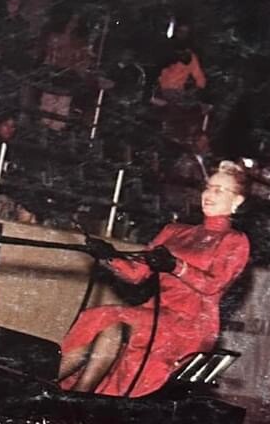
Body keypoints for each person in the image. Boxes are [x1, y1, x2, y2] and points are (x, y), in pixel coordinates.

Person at [58, 162, 251, 397]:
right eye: (208, 187)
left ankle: (73, 395)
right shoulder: (174, 231)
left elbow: (213, 285)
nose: (209, 195)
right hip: (157, 312)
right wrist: (108, 256)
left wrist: (176, 266)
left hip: (191, 324)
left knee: (107, 315)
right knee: (105, 321)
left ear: (237, 201)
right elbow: (136, 274)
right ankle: (68, 392)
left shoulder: (235, 241)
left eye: (219, 190)